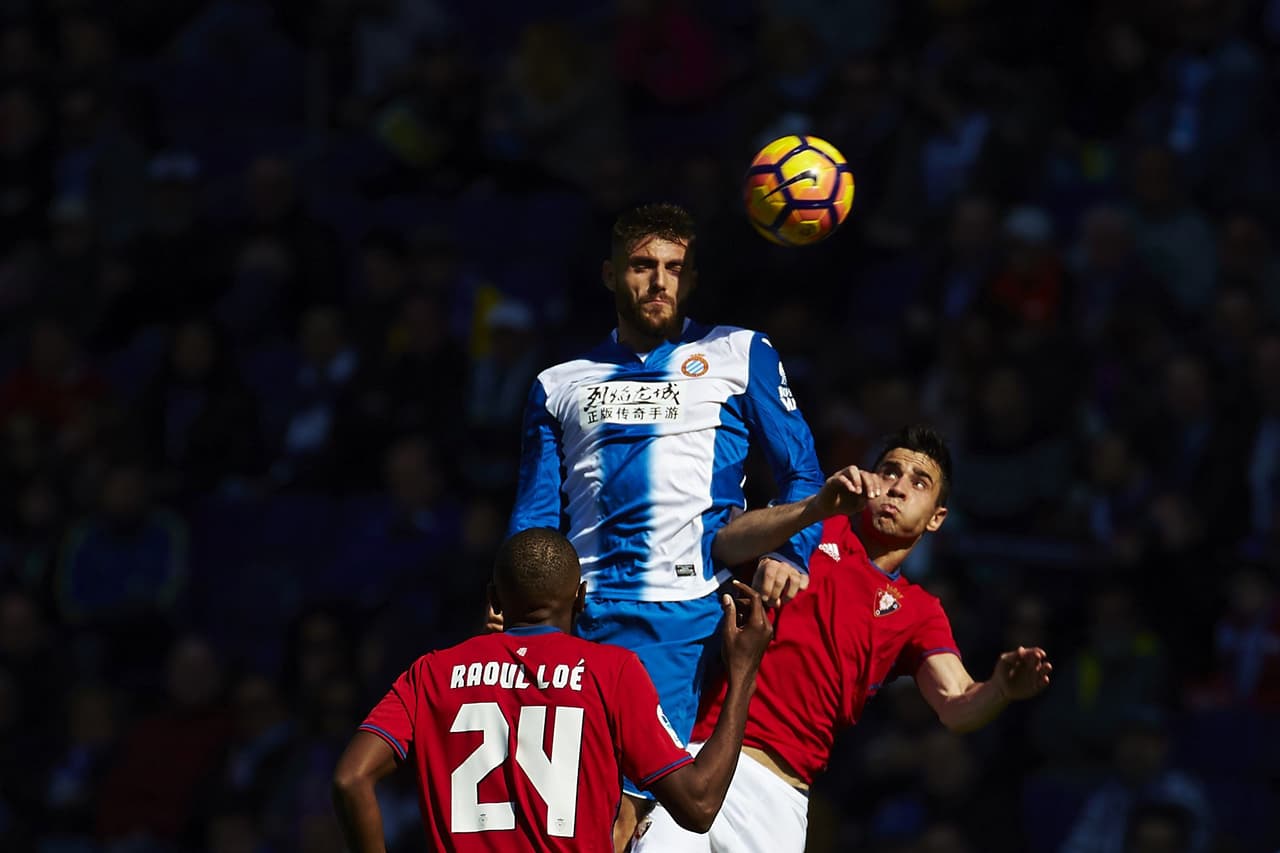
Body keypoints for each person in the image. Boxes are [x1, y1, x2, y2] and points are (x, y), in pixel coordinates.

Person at [506, 202, 824, 844]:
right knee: (560, 812)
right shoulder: (557, 383)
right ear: (609, 273)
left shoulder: (740, 352)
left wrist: (792, 554)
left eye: (674, 268)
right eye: (643, 266)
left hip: (678, 617)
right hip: (577, 617)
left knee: (625, 814)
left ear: (692, 279)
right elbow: (535, 517)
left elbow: (803, 474)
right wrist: (510, 604)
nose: (659, 282)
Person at [635, 425, 1053, 852]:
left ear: (936, 518)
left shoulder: (920, 610)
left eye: (919, 482)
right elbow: (725, 541)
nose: (898, 487)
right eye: (889, 472)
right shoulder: (814, 526)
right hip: (701, 755)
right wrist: (810, 512)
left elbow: (957, 704)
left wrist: (1001, 688)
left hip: (781, 797)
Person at [332, 527, 774, 853]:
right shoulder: (611, 672)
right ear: (581, 598)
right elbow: (698, 805)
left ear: (495, 600)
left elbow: (351, 779)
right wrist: (743, 673)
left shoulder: (431, 673)